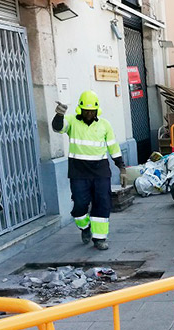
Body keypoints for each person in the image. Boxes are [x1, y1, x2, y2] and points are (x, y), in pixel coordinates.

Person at [52, 91, 126, 251]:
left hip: (100, 171)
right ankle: (85, 227)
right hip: (78, 172)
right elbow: (58, 128)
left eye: (92, 111)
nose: (89, 114)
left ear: (97, 111)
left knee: (102, 203)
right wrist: (59, 115)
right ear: (80, 109)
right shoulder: (72, 121)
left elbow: (113, 146)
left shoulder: (104, 124)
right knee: (79, 205)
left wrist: (121, 167)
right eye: (86, 111)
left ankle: (99, 239)